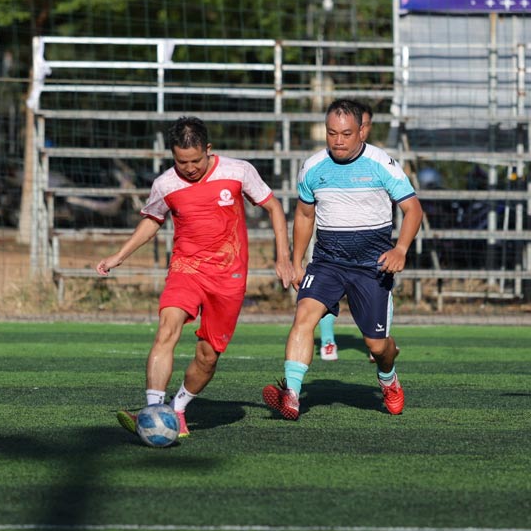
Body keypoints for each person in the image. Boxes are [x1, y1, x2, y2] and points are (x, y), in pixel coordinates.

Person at [101, 116, 294, 437]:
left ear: (208, 149)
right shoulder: (165, 184)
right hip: (186, 269)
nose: (188, 168)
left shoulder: (238, 171)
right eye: (181, 161)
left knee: (207, 357)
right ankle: (152, 410)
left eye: (195, 160)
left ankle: (176, 410)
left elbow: (273, 207)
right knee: (167, 329)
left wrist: (284, 256)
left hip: (229, 278)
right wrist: (119, 256)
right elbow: (152, 220)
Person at [263, 99, 423, 419]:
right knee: (304, 318)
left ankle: (388, 378)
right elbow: (305, 215)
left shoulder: (381, 164)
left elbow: (413, 209)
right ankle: (292, 394)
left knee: (377, 347)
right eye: (332, 133)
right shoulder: (313, 166)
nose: (338, 140)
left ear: (361, 132)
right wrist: (297, 261)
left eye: (346, 134)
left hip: (370, 266)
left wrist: (401, 249)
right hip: (327, 263)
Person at [317, 102, 374, 362]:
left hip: (369, 248)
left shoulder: (380, 161)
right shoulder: (321, 162)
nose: (363, 130)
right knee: (325, 294)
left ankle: (377, 342)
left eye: (366, 125)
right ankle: (328, 342)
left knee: (375, 297)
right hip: (330, 242)